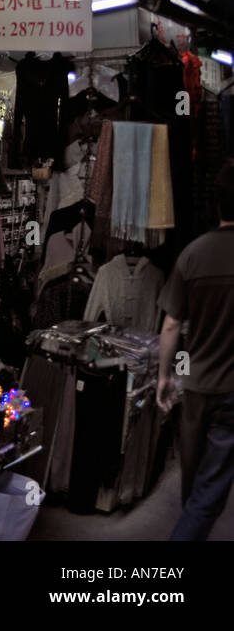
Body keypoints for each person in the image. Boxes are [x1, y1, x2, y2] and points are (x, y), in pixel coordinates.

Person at [158, 160, 234, 540]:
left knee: (193, 476)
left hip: (196, 385)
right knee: (211, 488)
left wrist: (164, 377)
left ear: (217, 205)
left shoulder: (192, 254)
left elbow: (172, 324)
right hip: (230, 390)